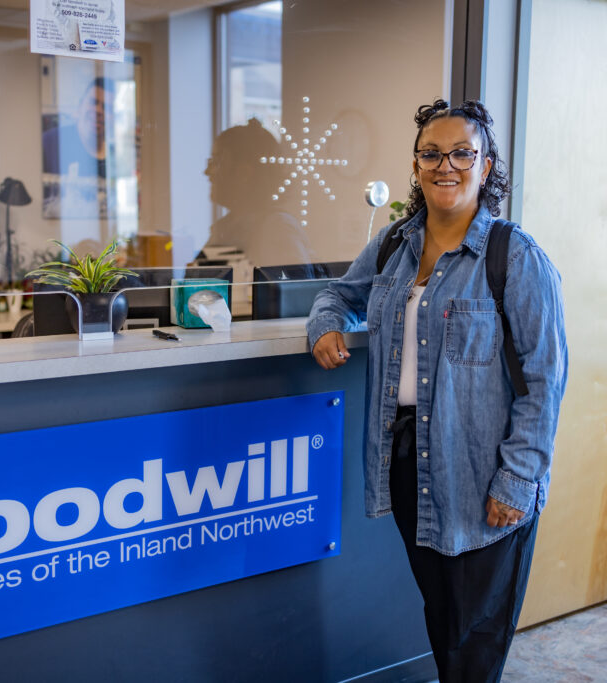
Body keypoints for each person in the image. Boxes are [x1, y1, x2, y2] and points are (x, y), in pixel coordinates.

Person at [306, 99, 568, 682]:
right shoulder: (395, 243)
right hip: (408, 459)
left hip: (485, 470)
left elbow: (546, 380)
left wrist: (518, 479)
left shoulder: (513, 255)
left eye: (461, 153)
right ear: (417, 163)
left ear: (486, 163)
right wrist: (326, 326)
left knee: (476, 632)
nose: (444, 165)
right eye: (431, 153)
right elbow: (337, 295)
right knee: (443, 614)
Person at [200, 118, 312, 267]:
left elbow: (294, 289)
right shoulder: (227, 228)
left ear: (244, 173)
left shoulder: (276, 229)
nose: (207, 172)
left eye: (216, 162)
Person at [41, 77, 115, 219]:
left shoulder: (116, 156)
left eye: (106, 107)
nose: (99, 111)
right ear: (80, 107)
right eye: (93, 103)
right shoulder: (51, 143)